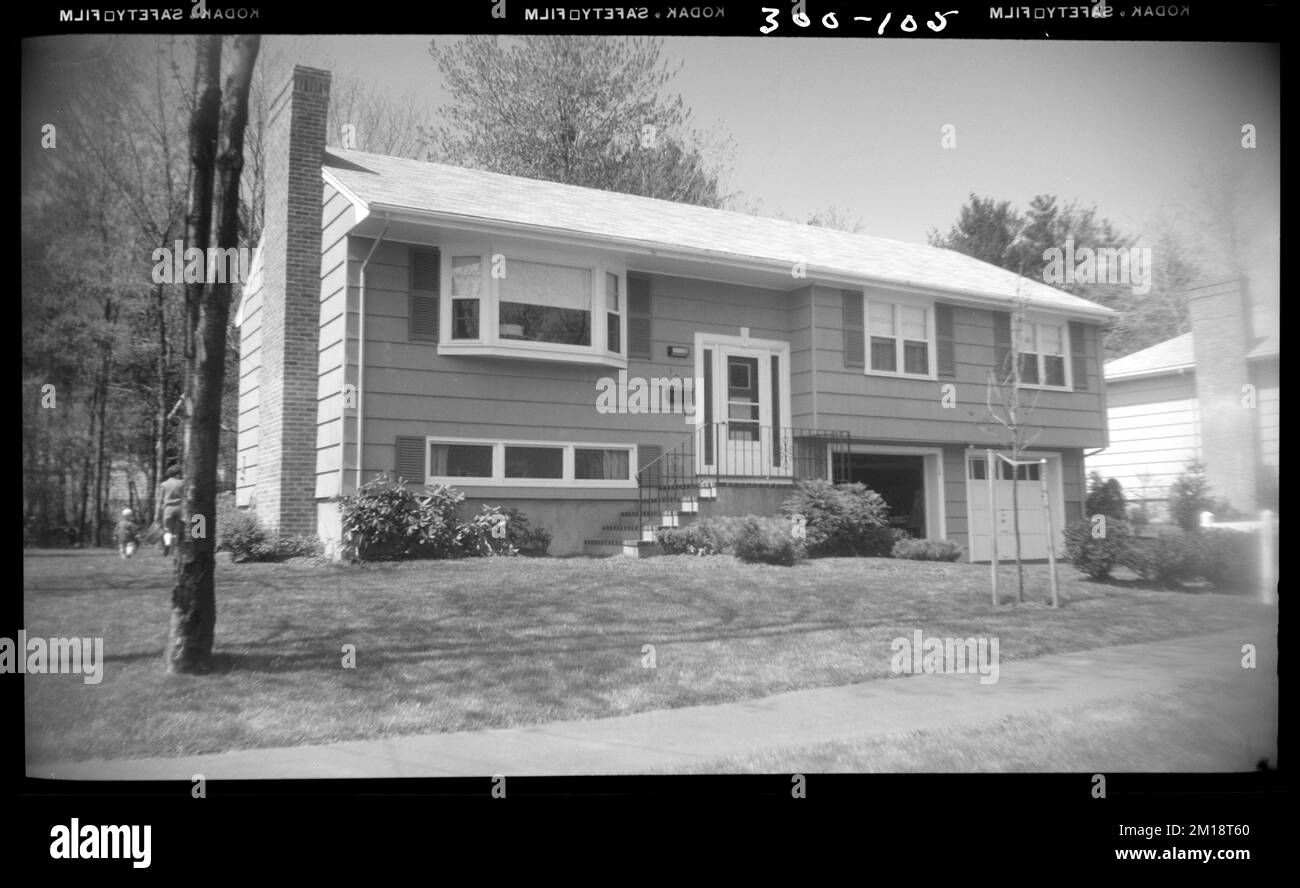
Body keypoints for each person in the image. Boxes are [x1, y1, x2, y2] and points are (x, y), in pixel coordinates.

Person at [156, 465, 184, 556]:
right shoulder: (182, 483)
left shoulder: (164, 484)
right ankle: (173, 551)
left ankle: (167, 544)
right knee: (176, 530)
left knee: (167, 530)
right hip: (180, 508)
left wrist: (157, 513)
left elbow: (160, 500)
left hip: (168, 508)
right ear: (177, 474)